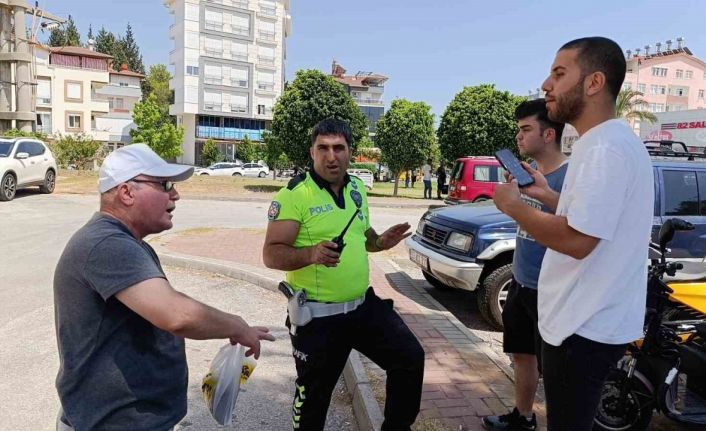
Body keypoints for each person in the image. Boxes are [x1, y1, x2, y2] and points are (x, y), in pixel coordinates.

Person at [53, 144, 275, 431]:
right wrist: (236, 326)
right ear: (127, 192)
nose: (175, 194)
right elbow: (175, 314)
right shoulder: (107, 245)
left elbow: (166, 305)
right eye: (164, 184)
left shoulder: (126, 243)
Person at [493, 37, 654, 430]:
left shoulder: (605, 150)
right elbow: (589, 222)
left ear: (594, 82)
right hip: (584, 322)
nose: (547, 84)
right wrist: (547, 196)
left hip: (582, 326)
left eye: (559, 74)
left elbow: (578, 241)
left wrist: (513, 206)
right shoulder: (601, 144)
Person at [263, 118, 425, 431]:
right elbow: (271, 254)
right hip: (318, 319)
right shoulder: (294, 195)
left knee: (409, 358)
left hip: (363, 308)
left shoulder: (356, 190)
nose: (331, 155)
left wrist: (380, 242)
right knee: (312, 406)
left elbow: (363, 237)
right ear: (312, 152)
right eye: (323, 148)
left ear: (350, 152)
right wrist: (311, 254)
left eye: (339, 148)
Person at [482, 99, 566, 431]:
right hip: (520, 280)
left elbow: (577, 224)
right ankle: (523, 416)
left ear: (548, 134)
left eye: (526, 129)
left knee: (556, 368)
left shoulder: (570, 176)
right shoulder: (529, 172)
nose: (519, 136)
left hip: (552, 290)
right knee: (521, 355)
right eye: (518, 130)